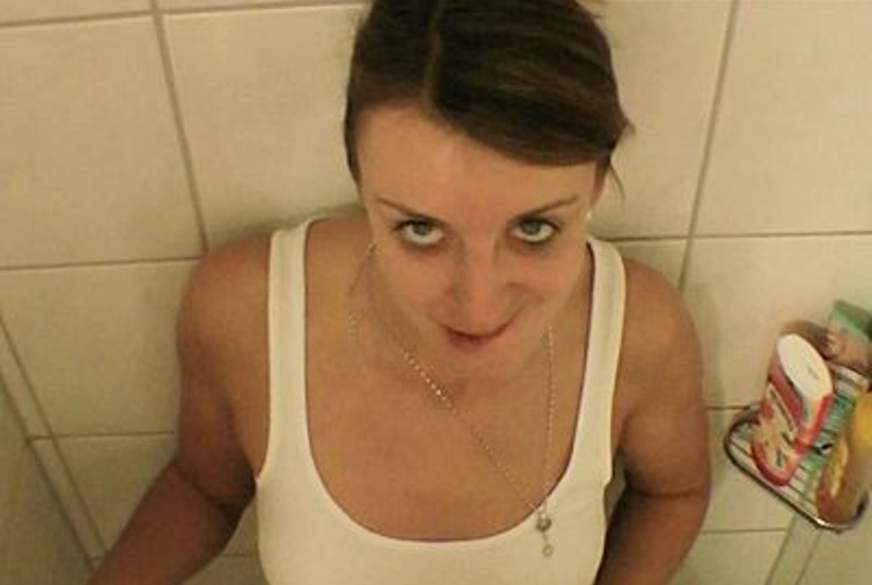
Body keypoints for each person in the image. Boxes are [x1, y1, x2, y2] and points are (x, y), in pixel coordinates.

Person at [89, 0, 710, 583]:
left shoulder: (640, 333)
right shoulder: (244, 310)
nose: (479, 307)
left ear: (597, 185)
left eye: (534, 229)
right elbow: (204, 487)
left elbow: (674, 492)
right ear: (360, 180)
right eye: (420, 230)